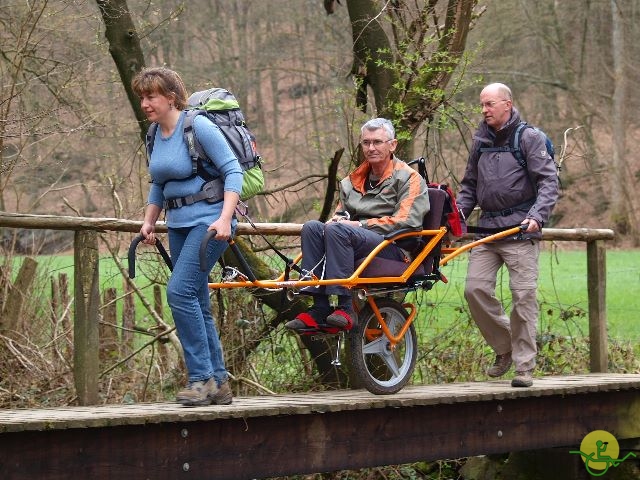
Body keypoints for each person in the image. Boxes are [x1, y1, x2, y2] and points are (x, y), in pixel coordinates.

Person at [131, 67, 243, 406]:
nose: (146, 103)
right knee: (197, 300)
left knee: (179, 293)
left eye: (151, 96)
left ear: (170, 97)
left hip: (210, 225)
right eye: (142, 97)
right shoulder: (154, 134)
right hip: (178, 225)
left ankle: (200, 379)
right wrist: (149, 222)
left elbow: (232, 170)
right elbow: (158, 183)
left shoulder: (198, 126)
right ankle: (219, 383)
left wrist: (225, 219)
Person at [456, 83, 559, 388]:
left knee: (523, 298)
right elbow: (469, 186)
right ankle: (506, 348)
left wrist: (536, 217)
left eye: (489, 104)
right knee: (474, 290)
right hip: (487, 231)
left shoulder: (529, 138)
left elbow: (549, 183)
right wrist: (458, 216)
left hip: (520, 231)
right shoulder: (481, 140)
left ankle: (524, 367)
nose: (484, 110)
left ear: (507, 104)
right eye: (482, 105)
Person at [285, 118, 430, 332]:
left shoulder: (409, 178)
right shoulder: (352, 181)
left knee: (338, 229)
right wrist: (339, 220)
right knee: (312, 227)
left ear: (393, 145)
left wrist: (360, 225)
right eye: (366, 142)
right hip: (353, 239)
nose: (371, 148)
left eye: (378, 142)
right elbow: (340, 214)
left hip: (394, 246)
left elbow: (407, 220)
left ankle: (345, 307)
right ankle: (319, 308)